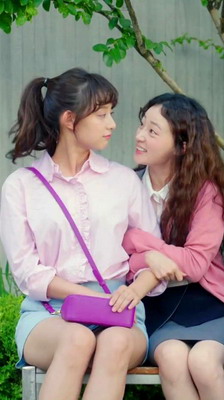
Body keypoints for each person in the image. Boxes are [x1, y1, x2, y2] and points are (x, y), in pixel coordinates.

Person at [0, 68, 162, 400]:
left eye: (111, 113)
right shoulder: (21, 186)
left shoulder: (123, 181)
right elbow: (27, 273)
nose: (112, 124)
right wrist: (88, 299)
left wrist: (132, 292)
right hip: (48, 313)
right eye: (102, 115)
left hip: (118, 310)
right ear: (69, 119)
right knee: (77, 338)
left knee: (115, 342)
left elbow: (151, 257)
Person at [122, 93, 224, 400]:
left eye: (153, 131)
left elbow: (194, 264)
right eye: (142, 125)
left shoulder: (206, 192)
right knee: (171, 359)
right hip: (156, 309)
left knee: (204, 362)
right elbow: (113, 259)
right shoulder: (124, 187)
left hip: (212, 306)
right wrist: (149, 260)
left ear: (181, 146)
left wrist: (141, 245)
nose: (140, 136)